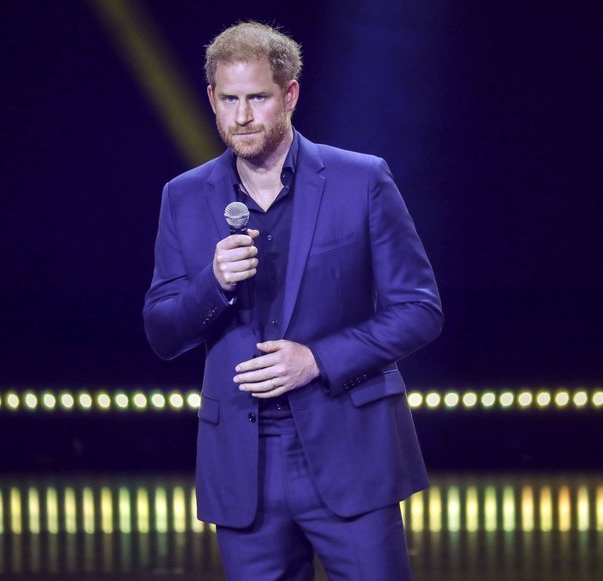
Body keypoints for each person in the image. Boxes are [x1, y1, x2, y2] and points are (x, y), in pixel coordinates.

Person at [143, 21, 442, 580]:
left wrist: (317, 360)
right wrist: (214, 283)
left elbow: (419, 309)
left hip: (348, 450)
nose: (243, 116)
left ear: (290, 94)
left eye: (257, 97)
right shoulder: (183, 197)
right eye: (229, 100)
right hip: (243, 464)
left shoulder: (361, 179)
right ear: (211, 99)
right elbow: (162, 332)